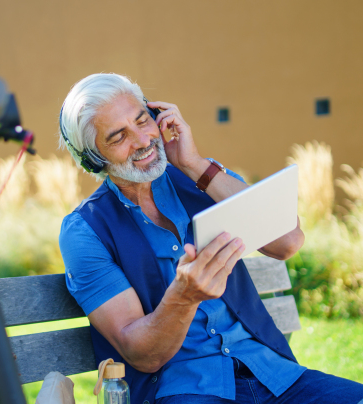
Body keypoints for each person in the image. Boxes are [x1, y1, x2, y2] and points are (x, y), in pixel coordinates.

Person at [58, 73, 363, 404]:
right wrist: (184, 297)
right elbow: (142, 354)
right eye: (118, 137)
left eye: (143, 119)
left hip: (271, 374)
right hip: (183, 389)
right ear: (93, 158)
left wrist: (194, 164)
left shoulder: (200, 177)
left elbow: (287, 241)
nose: (143, 140)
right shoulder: (85, 231)